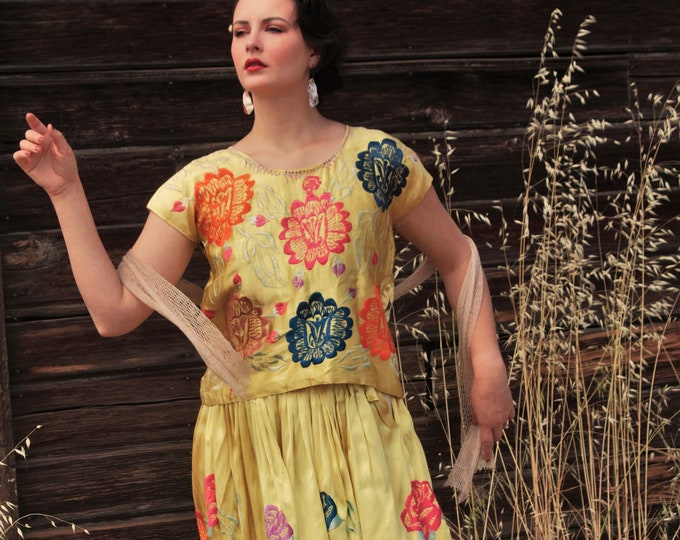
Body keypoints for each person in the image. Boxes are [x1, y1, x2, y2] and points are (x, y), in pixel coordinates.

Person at [13, 0, 515, 537]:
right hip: (251, 445)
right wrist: (66, 192)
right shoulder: (204, 185)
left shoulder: (378, 161)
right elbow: (114, 313)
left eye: (273, 28)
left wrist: (486, 365)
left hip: (364, 431)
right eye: (239, 31)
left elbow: (458, 254)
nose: (250, 43)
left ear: (315, 50)